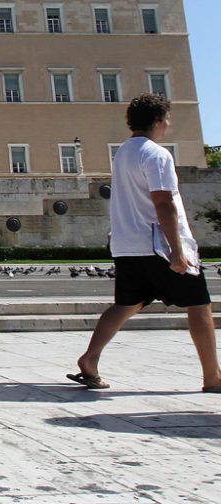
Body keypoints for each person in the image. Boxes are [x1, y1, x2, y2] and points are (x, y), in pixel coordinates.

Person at [68, 93, 221, 393]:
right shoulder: (156, 154)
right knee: (200, 305)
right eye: (167, 118)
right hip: (158, 247)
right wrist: (177, 252)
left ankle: (90, 358)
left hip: (127, 245)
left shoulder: (123, 153)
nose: (168, 123)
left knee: (127, 303)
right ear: (157, 121)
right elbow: (163, 203)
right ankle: (213, 377)